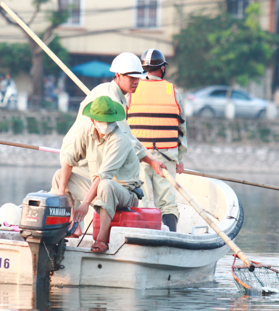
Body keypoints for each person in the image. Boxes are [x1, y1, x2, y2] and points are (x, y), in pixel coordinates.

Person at [52, 96, 167, 253]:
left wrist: (85, 203)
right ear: (93, 120)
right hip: (99, 190)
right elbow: (69, 158)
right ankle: (71, 226)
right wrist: (61, 190)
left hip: (125, 194)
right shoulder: (87, 132)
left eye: (109, 120)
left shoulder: (119, 140)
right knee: (60, 177)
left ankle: (102, 240)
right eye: (102, 120)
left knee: (106, 185)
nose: (106, 124)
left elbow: (103, 177)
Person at [127, 48, 187, 232]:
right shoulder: (173, 91)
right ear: (162, 69)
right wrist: (180, 158)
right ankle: (171, 235)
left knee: (140, 199)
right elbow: (181, 128)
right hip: (166, 157)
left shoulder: (131, 91)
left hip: (139, 156)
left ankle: (140, 235)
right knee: (167, 201)